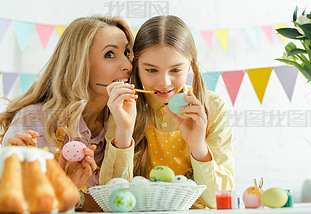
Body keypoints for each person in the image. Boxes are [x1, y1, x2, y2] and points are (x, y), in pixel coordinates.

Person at [0, 15, 137, 211]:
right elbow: (13, 202)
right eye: (109, 54)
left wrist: (124, 132)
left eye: (126, 53)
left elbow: (123, 202)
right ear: (79, 64)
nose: (128, 65)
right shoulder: (32, 121)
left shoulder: (126, 117)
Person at [116, 15, 233, 208]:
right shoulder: (124, 106)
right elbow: (113, 194)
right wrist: (124, 131)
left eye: (176, 70)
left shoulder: (213, 106)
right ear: (136, 66)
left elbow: (217, 201)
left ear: (191, 66)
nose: (164, 82)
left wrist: (198, 148)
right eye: (151, 70)